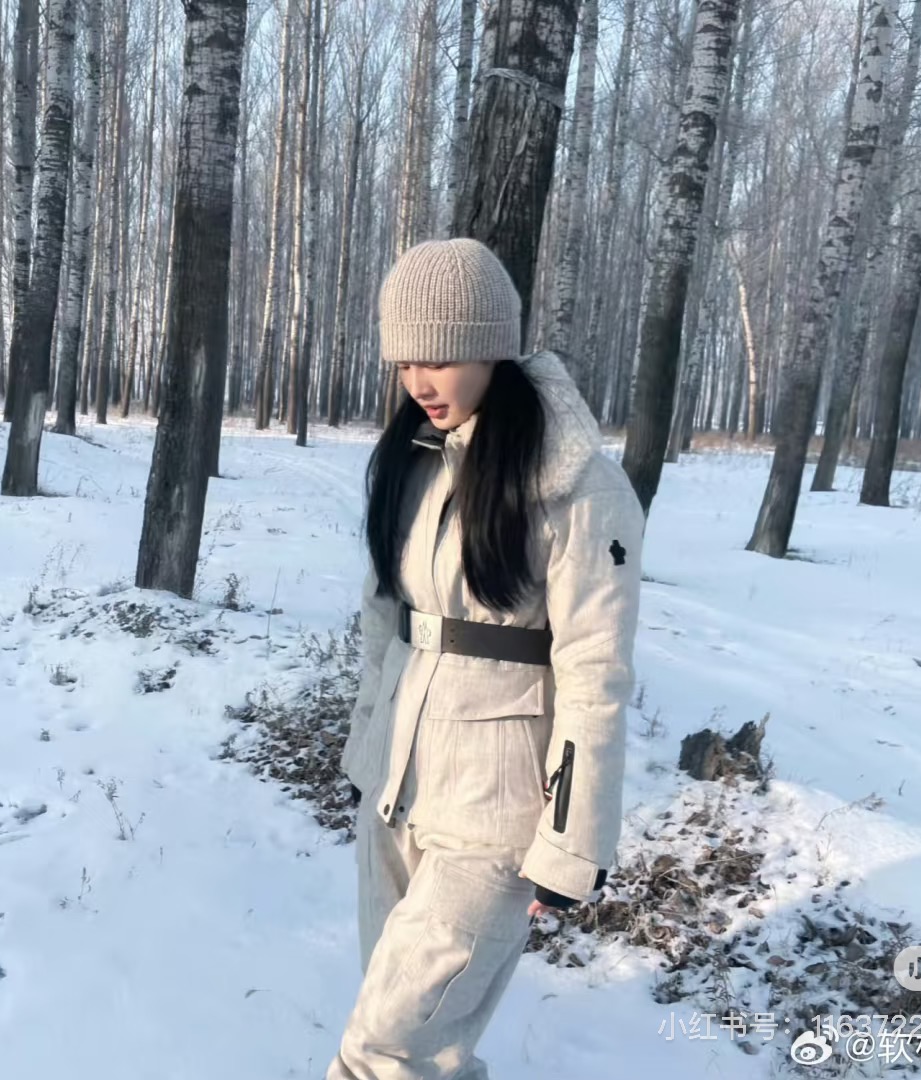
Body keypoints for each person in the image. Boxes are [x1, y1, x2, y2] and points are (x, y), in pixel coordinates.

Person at [326, 238, 644, 1080]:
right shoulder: (414, 462)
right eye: (404, 362)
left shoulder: (581, 487)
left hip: (494, 814)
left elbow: (596, 674)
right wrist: (363, 752)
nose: (418, 383)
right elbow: (384, 626)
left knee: (382, 1051)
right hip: (396, 794)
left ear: (492, 349)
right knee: (420, 1051)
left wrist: (573, 842)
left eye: (438, 358)